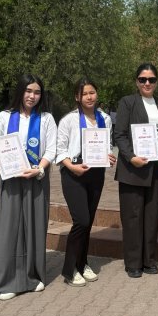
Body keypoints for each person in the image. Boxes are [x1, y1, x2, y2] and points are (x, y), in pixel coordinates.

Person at [0, 74, 57, 300]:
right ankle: (7, 281)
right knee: (9, 228)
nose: (32, 96)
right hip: (11, 179)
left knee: (35, 226)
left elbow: (51, 149)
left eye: (37, 92)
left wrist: (39, 169)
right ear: (20, 91)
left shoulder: (46, 119)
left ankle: (33, 276)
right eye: (28, 91)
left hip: (36, 178)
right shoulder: (4, 117)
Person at [56, 78, 115, 287]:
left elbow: (107, 144)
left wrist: (109, 156)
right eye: (85, 94)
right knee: (80, 220)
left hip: (96, 173)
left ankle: (82, 263)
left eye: (92, 92)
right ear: (77, 97)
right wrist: (71, 167)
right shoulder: (69, 120)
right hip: (73, 173)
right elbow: (60, 150)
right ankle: (70, 269)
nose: (89, 97)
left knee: (88, 222)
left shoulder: (105, 118)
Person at [114, 64, 158, 278]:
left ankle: (149, 260)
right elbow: (119, 134)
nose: (147, 83)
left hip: (155, 169)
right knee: (133, 217)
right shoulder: (127, 102)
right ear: (136, 81)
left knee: (152, 216)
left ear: (157, 82)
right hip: (133, 169)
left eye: (151, 79)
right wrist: (131, 157)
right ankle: (133, 263)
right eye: (143, 79)